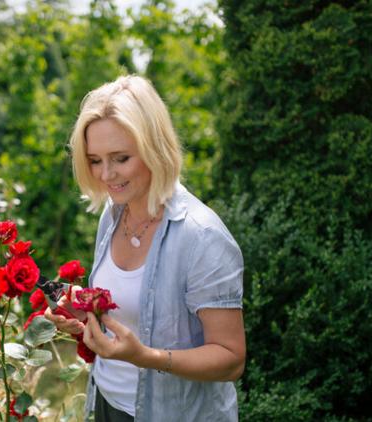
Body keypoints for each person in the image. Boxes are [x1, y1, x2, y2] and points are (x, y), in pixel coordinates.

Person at [45, 75, 246, 422]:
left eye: (120, 158)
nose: (106, 175)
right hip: (108, 403)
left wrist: (147, 357)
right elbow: (132, 313)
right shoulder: (112, 214)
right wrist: (86, 316)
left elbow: (231, 359)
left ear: (154, 147)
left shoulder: (202, 237)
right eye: (95, 160)